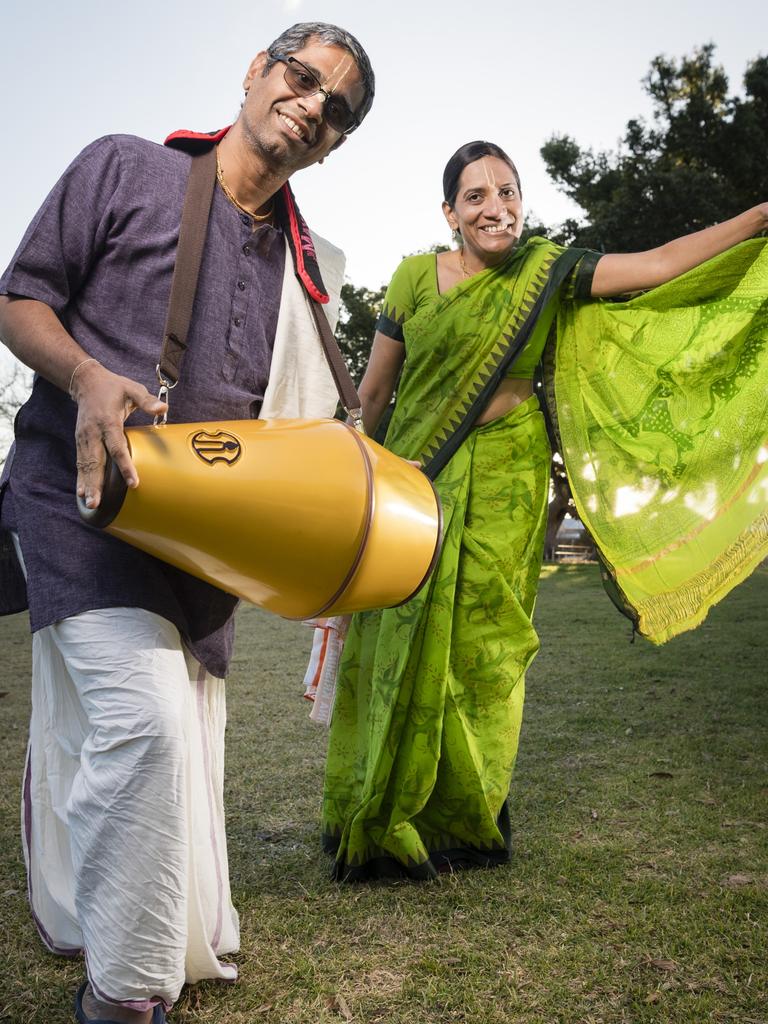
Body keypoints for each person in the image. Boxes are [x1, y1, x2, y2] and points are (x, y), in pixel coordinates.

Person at [0, 22, 374, 1024]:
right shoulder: (123, 167)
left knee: (176, 737)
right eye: (302, 79)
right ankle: (124, 996)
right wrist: (84, 375)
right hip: (77, 495)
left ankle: (113, 914)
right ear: (257, 72)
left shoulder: (307, 267)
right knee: (146, 724)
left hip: (205, 534)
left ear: (333, 144)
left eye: (336, 110)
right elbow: (21, 296)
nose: (312, 106)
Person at [321, 140, 768, 882]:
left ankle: (466, 816)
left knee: (488, 649)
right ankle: (386, 811)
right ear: (450, 214)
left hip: (509, 480)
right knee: (399, 635)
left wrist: (756, 218)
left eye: (506, 191)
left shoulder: (548, 272)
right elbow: (372, 397)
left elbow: (658, 264)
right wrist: (362, 492)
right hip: (413, 483)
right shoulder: (410, 278)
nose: (494, 206)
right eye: (475, 196)